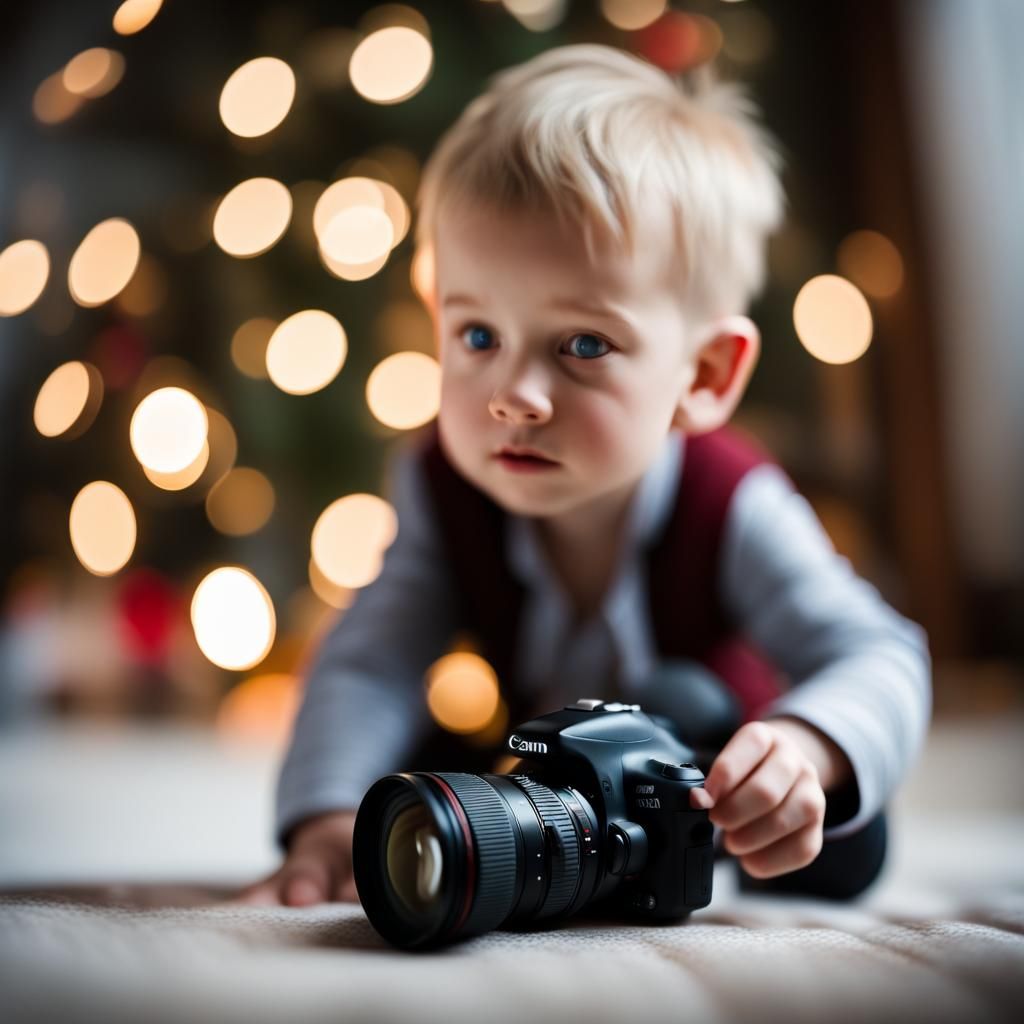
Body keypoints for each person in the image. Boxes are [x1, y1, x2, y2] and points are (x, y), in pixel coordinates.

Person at [241, 45, 929, 909]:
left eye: (584, 345)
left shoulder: (731, 501)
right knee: (427, 780)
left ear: (705, 373)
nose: (515, 399)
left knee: (841, 840)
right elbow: (370, 662)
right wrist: (328, 813)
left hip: (704, 780)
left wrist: (807, 746)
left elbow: (878, 653)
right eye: (479, 337)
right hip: (542, 769)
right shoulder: (443, 487)